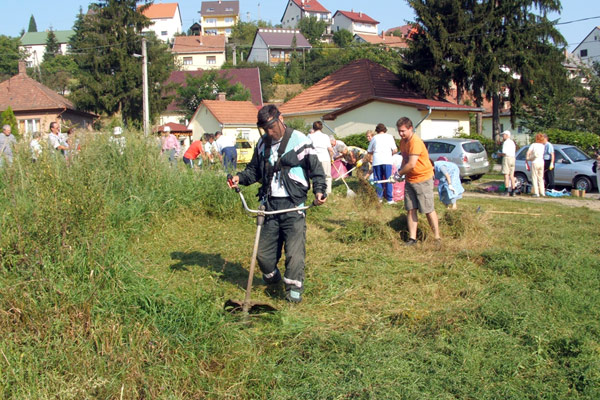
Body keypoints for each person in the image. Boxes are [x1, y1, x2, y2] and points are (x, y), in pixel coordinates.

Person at [229, 105, 327, 303]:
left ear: (280, 119)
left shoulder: (300, 140)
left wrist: (319, 190)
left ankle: (293, 291)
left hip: (293, 204)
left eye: (272, 127)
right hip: (269, 205)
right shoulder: (262, 143)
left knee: (294, 252)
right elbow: (253, 171)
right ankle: (274, 281)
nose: (269, 132)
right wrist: (240, 177)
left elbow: (316, 170)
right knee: (263, 255)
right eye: (265, 129)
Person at [396, 117, 440, 245]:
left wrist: (398, 174)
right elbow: (405, 160)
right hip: (410, 180)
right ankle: (412, 238)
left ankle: (437, 237)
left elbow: (411, 164)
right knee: (411, 209)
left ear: (410, 128)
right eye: (399, 131)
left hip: (423, 179)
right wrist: (398, 172)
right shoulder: (403, 142)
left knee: (428, 209)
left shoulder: (415, 142)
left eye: (403, 131)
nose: (401, 134)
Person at [367, 123, 398, 204]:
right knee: (389, 179)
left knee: (378, 180)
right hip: (387, 160)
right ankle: (390, 199)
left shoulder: (374, 138)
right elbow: (395, 150)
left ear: (377, 130)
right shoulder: (390, 137)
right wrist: (390, 153)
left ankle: (379, 198)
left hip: (377, 161)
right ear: (385, 130)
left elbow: (369, 150)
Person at [309, 121, 334, 194]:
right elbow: (330, 149)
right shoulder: (325, 136)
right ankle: (328, 192)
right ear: (321, 128)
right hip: (325, 158)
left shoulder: (310, 136)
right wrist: (331, 158)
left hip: (315, 159)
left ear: (313, 128)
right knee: (327, 176)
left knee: (316, 176)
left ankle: (317, 191)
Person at [526, 133, 546, 197]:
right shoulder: (543, 146)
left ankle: (536, 193)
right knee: (541, 178)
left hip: (535, 162)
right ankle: (542, 192)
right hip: (542, 162)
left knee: (534, 178)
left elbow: (528, 152)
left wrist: (527, 158)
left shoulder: (533, 145)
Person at [497, 130, 517, 196]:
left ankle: (506, 190)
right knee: (512, 175)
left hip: (507, 158)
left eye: (504, 135)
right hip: (513, 158)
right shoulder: (512, 142)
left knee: (506, 174)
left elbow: (504, 152)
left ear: (507, 135)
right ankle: (513, 190)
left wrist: (499, 154)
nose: (503, 136)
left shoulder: (506, 143)